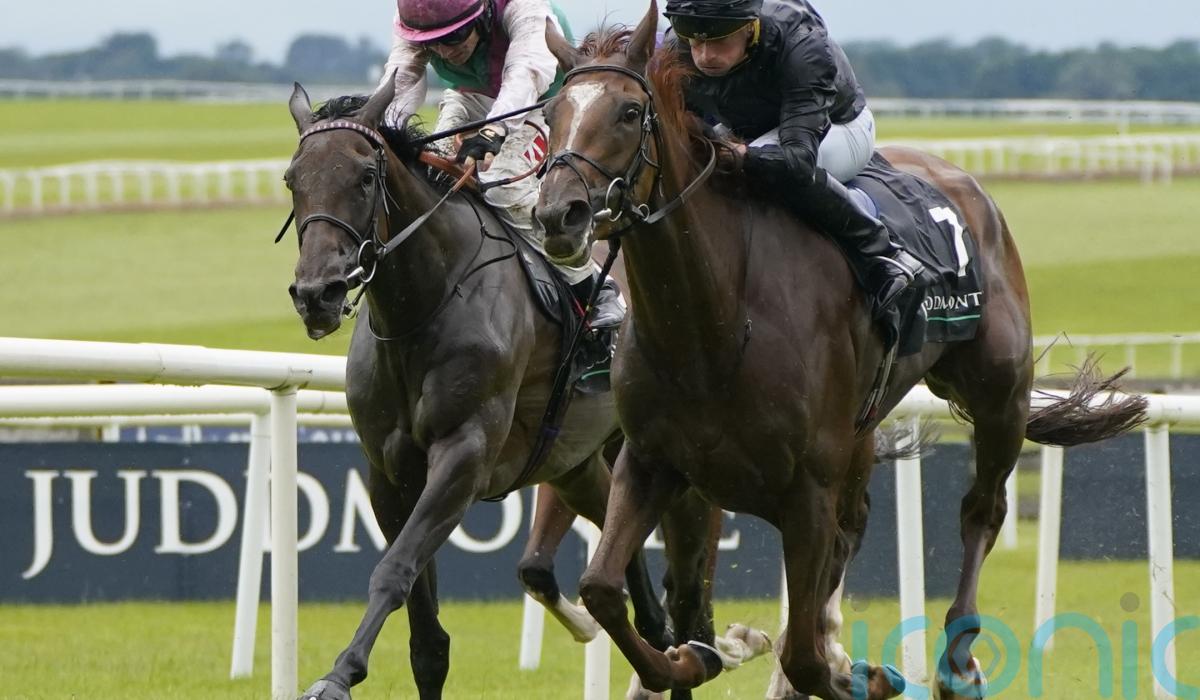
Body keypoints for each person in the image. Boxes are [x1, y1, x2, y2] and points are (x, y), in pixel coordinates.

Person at [664, 0, 933, 319]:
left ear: (749, 26)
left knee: (761, 173)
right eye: (695, 41)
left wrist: (740, 154)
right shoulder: (677, 45)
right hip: (749, 129)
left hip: (838, 127)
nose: (705, 55)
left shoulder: (802, 44)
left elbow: (797, 160)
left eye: (720, 39)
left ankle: (884, 255)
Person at [379, 0, 624, 328]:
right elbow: (400, 82)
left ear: (482, 16)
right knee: (430, 174)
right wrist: (380, 132)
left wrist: (494, 130)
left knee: (502, 185)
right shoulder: (414, 17)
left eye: (453, 37)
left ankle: (595, 287)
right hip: (470, 97)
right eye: (431, 43)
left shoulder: (524, 8)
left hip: (543, 103)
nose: (444, 52)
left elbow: (524, 75)